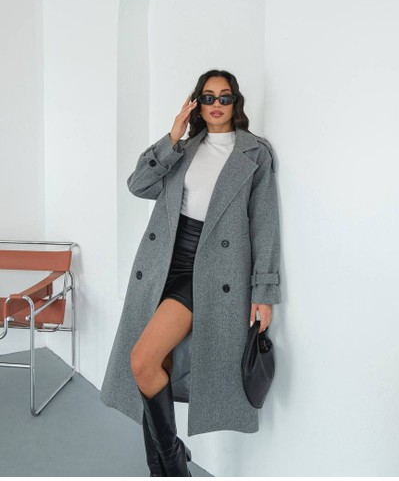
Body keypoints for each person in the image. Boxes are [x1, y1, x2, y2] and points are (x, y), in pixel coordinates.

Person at [101, 69, 281, 476]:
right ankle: (164, 466)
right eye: (208, 97)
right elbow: (138, 185)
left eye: (224, 97)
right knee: (155, 367)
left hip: (209, 271)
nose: (216, 104)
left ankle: (173, 463)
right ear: (197, 104)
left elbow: (264, 224)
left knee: (142, 360)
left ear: (236, 103)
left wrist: (263, 291)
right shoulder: (182, 149)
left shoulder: (255, 153)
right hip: (163, 262)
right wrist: (172, 135)